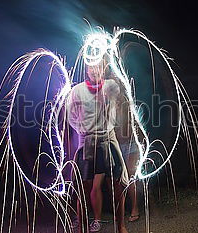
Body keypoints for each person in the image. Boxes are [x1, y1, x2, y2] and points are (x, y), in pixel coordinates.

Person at [66, 57, 129, 233]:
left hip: (108, 139)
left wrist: (112, 58)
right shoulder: (77, 91)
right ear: (87, 69)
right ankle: (83, 228)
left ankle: (121, 226)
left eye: (99, 67)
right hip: (87, 141)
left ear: (104, 68)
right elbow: (70, 115)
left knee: (118, 183)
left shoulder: (111, 86)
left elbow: (120, 94)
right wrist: (82, 130)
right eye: (92, 67)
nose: (95, 71)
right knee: (83, 186)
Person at [115, 94, 140, 222]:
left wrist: (141, 142)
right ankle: (121, 210)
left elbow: (137, 124)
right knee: (118, 179)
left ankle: (135, 208)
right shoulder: (107, 107)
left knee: (131, 176)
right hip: (116, 146)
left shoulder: (128, 106)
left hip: (131, 145)